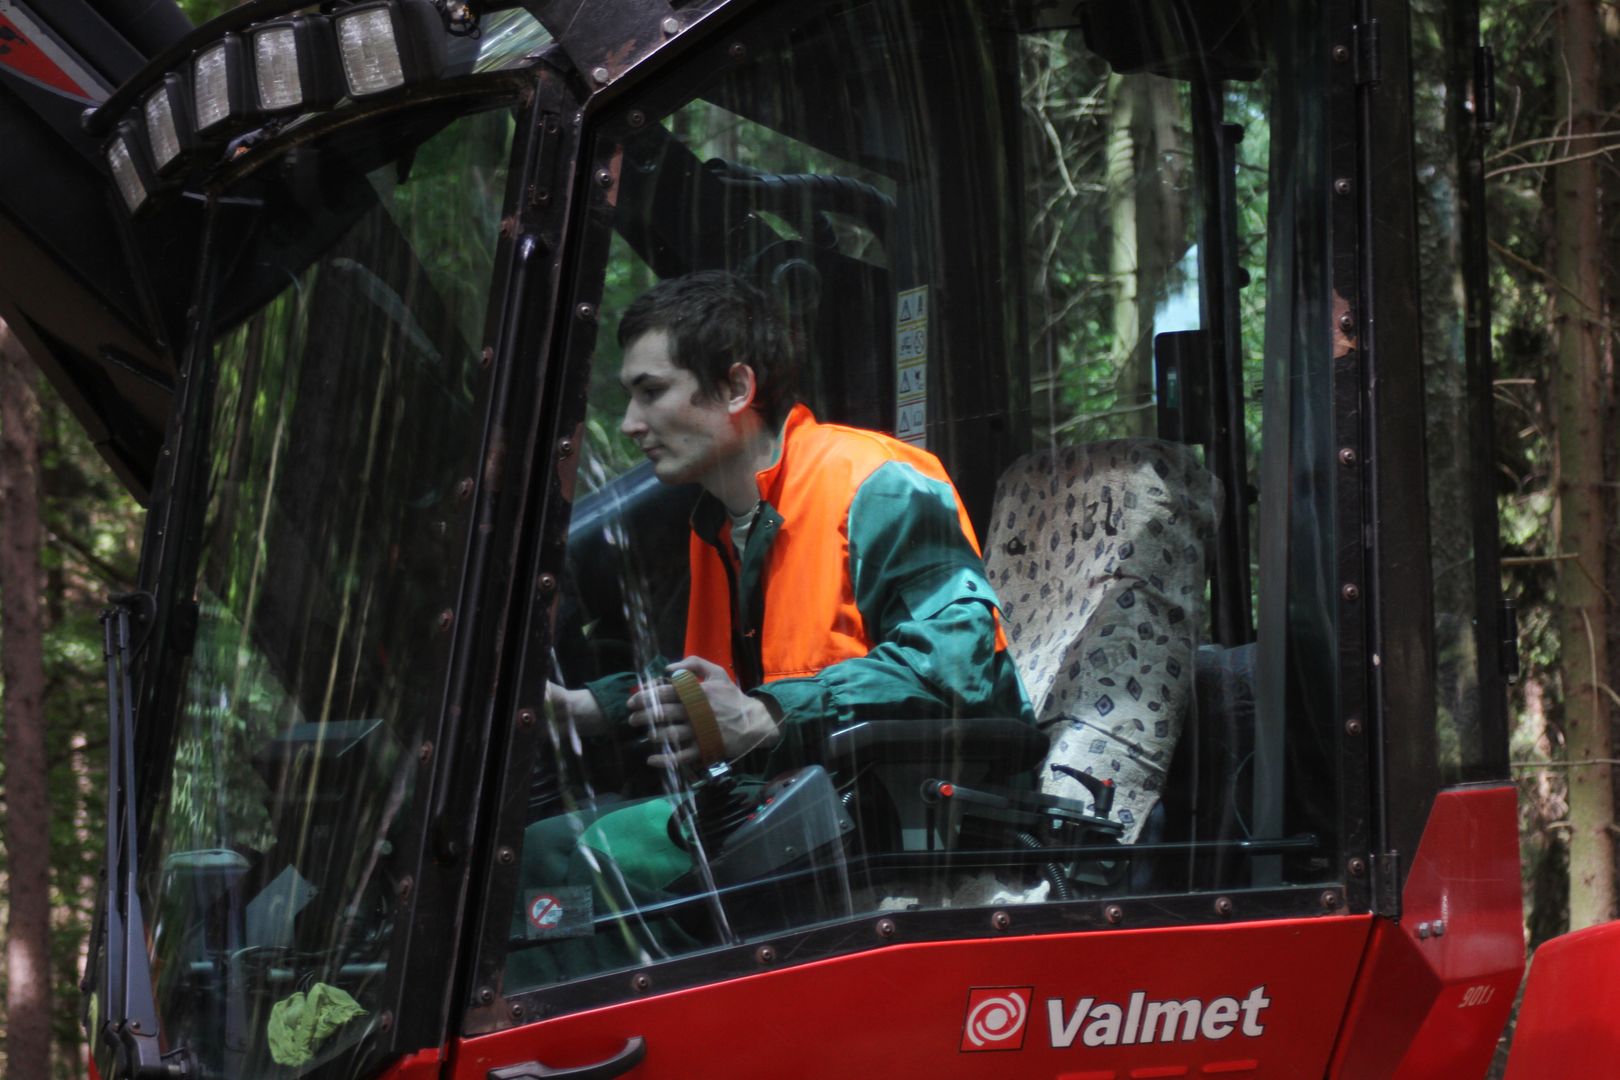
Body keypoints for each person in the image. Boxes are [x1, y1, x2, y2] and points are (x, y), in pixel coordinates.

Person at [511, 271, 1027, 982]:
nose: (630, 423)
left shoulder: (875, 480)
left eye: (651, 391)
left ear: (735, 388)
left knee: (600, 860)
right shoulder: (718, 526)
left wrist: (764, 716)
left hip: (881, 812)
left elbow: (963, 668)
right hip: (773, 803)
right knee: (538, 851)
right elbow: (724, 687)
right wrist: (583, 708)